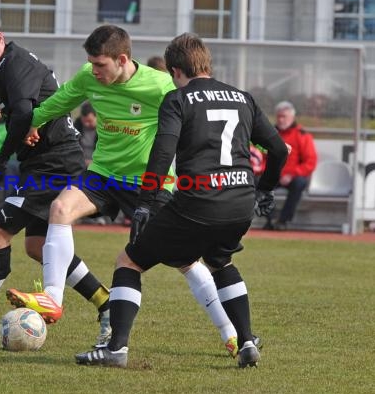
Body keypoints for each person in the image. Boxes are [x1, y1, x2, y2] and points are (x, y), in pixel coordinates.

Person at [8, 25, 241, 358]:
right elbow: (60, 102)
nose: (94, 71)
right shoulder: (90, 77)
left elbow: (205, 114)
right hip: (103, 174)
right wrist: (35, 121)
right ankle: (53, 300)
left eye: (101, 64)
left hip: (150, 185)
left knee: (185, 260)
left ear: (122, 59)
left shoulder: (160, 85)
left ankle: (230, 332)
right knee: (60, 209)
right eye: (91, 63)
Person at [74, 32, 288, 368]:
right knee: (220, 262)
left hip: (197, 202)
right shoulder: (243, 98)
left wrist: (145, 202)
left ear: (175, 72)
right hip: (240, 202)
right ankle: (245, 341)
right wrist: (266, 188)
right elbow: (278, 149)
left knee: (128, 262)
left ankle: (115, 349)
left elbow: (162, 153)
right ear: (207, 63)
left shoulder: (179, 99)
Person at [0, 17, 112, 347]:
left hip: (53, 165)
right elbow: (29, 115)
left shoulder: (13, 64)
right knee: (38, 247)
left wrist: (1, 157)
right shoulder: (7, 68)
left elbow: (26, 114)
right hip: (46, 163)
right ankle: (106, 303)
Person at [264, 101, 317, 230]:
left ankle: (283, 220)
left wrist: (292, 173)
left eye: (284, 117)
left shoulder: (302, 135)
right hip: (274, 174)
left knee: (299, 183)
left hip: (293, 176)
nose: (281, 120)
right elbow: (263, 156)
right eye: (279, 117)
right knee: (255, 183)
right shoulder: (270, 134)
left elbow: (310, 162)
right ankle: (272, 217)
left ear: (292, 117)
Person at [73, 101, 98, 167]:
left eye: (90, 121)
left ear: (97, 117)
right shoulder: (77, 125)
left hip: (97, 164)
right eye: (84, 121)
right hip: (79, 162)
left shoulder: (104, 130)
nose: (86, 124)